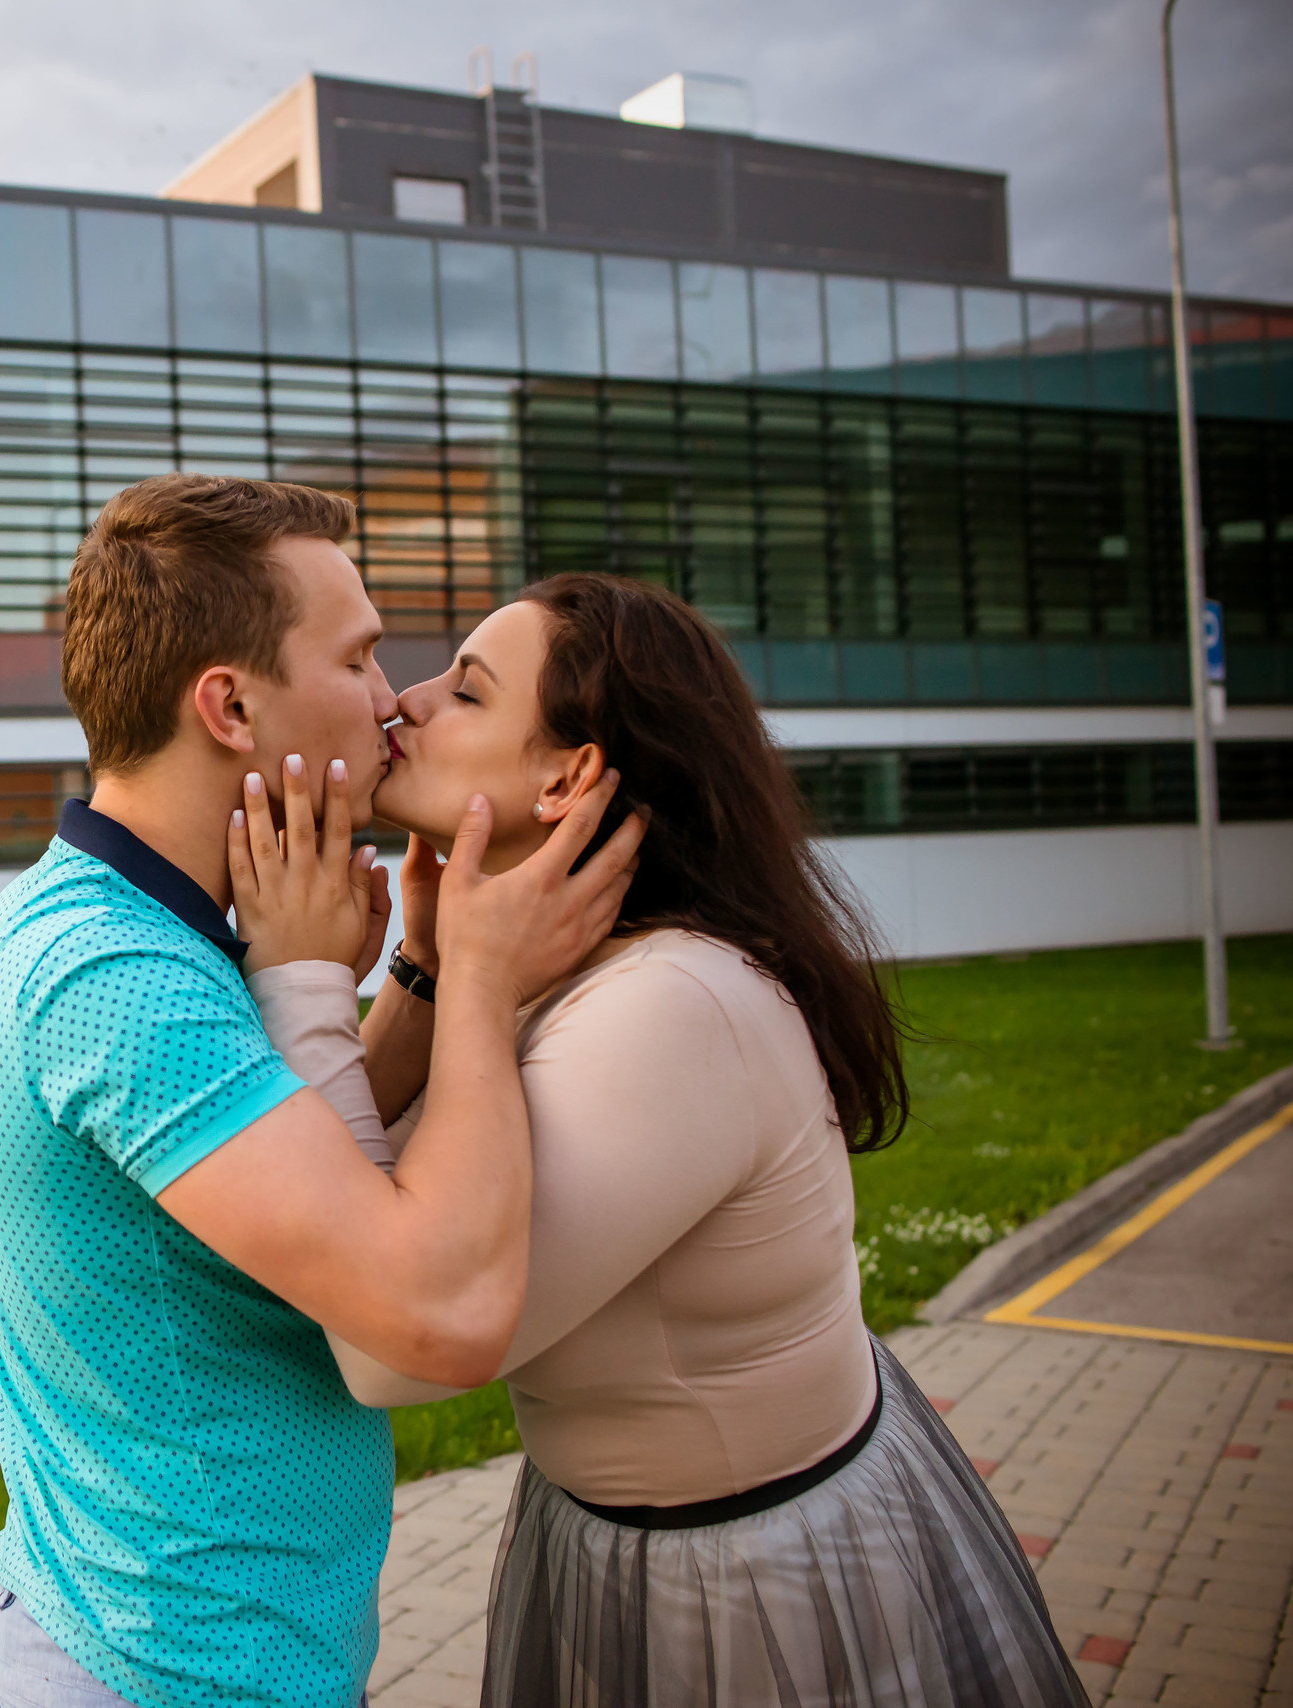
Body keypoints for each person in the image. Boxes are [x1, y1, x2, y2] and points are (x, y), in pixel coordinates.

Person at [235, 571, 1088, 1707]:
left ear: (570, 774)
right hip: (625, 1542)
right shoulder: (556, 966)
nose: (406, 703)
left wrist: (300, 984)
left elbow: (395, 1343)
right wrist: (437, 971)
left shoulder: (671, 1008)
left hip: (749, 1592)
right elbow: (379, 1184)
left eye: (468, 691)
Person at [0, 475, 644, 1708]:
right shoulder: (109, 977)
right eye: (362, 655)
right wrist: (482, 975)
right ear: (228, 704)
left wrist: (411, 966)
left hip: (219, 1657)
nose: (392, 702)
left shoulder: (163, 930)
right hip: (162, 1669)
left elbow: (296, 1168)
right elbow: (435, 1312)